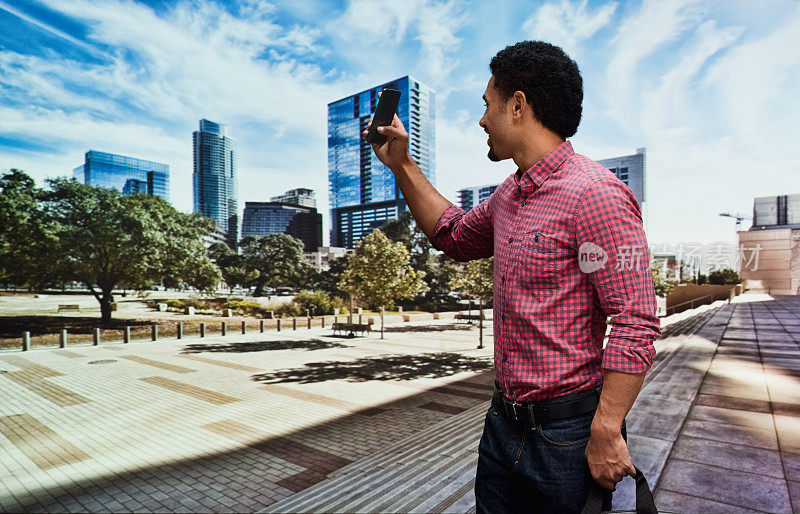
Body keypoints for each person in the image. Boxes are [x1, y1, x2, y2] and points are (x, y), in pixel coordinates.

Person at [364, 40, 661, 513]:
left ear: (517, 105)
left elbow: (634, 321)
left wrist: (607, 428)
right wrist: (401, 163)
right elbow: (454, 234)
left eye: (487, 105)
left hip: (568, 436)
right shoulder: (509, 195)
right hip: (503, 425)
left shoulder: (596, 195)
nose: (482, 120)